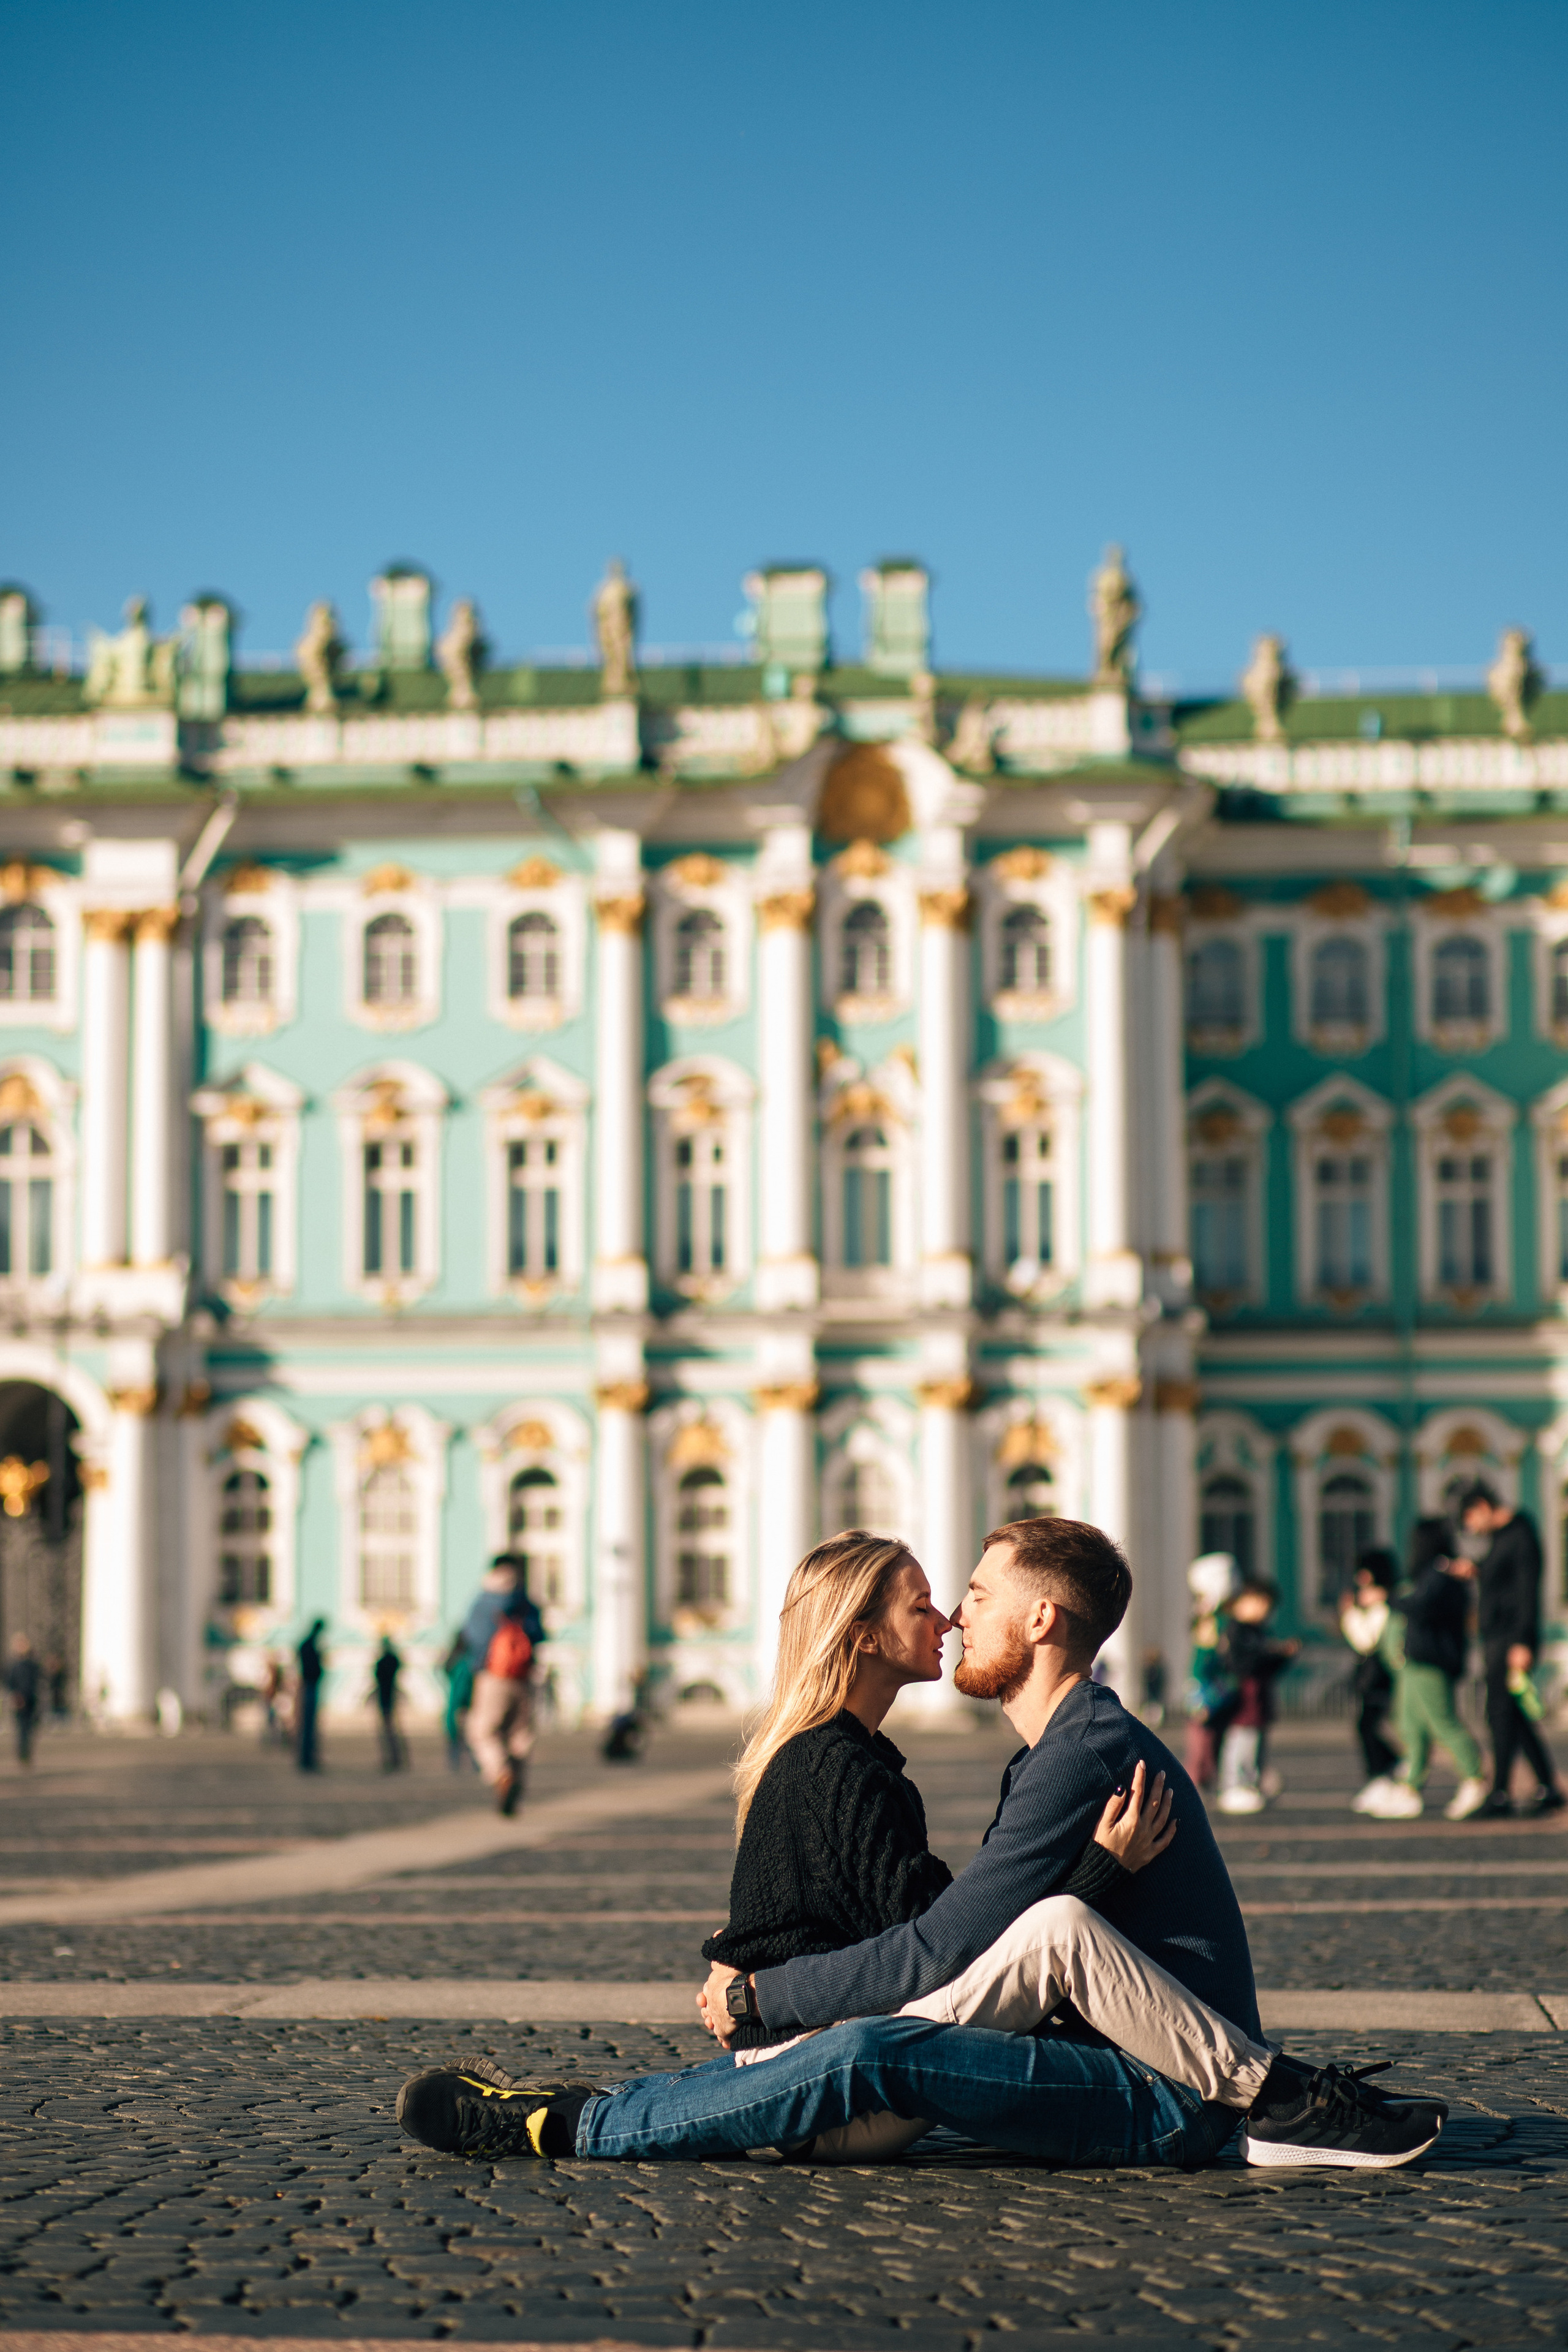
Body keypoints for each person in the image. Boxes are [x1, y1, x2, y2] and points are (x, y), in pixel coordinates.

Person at [396, 1520, 1447, 2173]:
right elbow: (958, 1938)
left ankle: (569, 2125)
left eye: (976, 1598)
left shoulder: (1074, 1748)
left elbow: (943, 1945)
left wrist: (761, 1995)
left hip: (1166, 2092)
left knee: (896, 2032)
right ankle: (1286, 2094)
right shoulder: (1011, 1753)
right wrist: (752, 1977)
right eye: (937, 1601)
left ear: (1041, 1621)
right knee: (1046, 1928)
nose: (953, 1617)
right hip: (1106, 2059)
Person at [1452, 1483, 1561, 1817]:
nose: (1471, 1529)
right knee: (1513, 1716)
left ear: (1483, 1506)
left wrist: (1522, 1642)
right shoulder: (1502, 1538)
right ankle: (1546, 1786)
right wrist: (1479, 1571)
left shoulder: (1521, 1534)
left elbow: (1527, 1592)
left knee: (1499, 1714)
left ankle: (1500, 1793)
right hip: (1499, 1638)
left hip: (1510, 1640)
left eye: (1469, 1520)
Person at [462, 1555, 545, 1815]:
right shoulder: (526, 1600)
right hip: (524, 1676)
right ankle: (517, 1782)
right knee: (520, 1735)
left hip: (493, 1676)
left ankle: (501, 1774)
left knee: (483, 1731)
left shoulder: (484, 1601)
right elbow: (539, 1634)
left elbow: (472, 1637)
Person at [1213, 1583, 1298, 1816]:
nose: (1264, 1611)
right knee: (1240, 1745)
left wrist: (1282, 1656)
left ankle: (1252, 1785)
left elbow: (1268, 1668)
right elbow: (1240, 1664)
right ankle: (1233, 1787)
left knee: (1257, 1746)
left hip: (1258, 1702)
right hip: (1241, 1703)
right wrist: (1269, 1652)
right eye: (1260, 1603)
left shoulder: (1259, 1631)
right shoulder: (1236, 1631)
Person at [1341, 1548, 1403, 1814]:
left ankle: (1387, 1771)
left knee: (1368, 1726)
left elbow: (1365, 1641)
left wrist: (1350, 1614)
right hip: (1373, 1677)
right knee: (1367, 1725)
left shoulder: (1385, 1605)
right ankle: (1386, 1771)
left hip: (1380, 1677)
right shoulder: (1380, 1603)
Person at [295, 1618, 326, 1773]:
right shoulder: (311, 1645)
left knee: (308, 1725)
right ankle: (307, 1758)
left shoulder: (307, 1644)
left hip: (309, 1685)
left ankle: (307, 1758)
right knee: (308, 1725)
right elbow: (313, 1667)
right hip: (310, 1686)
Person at [7, 1632, 42, 1765]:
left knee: (29, 1729)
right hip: (20, 1700)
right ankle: (23, 1754)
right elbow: (10, 1682)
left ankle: (26, 1753)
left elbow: (36, 1681)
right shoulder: (14, 1665)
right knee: (22, 1729)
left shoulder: (31, 1664)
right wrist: (16, 1696)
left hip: (31, 1700)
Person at [372, 1635, 405, 1772]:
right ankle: (396, 1758)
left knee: (388, 1731)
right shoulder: (392, 1660)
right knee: (393, 1731)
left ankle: (392, 1759)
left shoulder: (382, 1662)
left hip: (385, 1698)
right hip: (390, 1696)